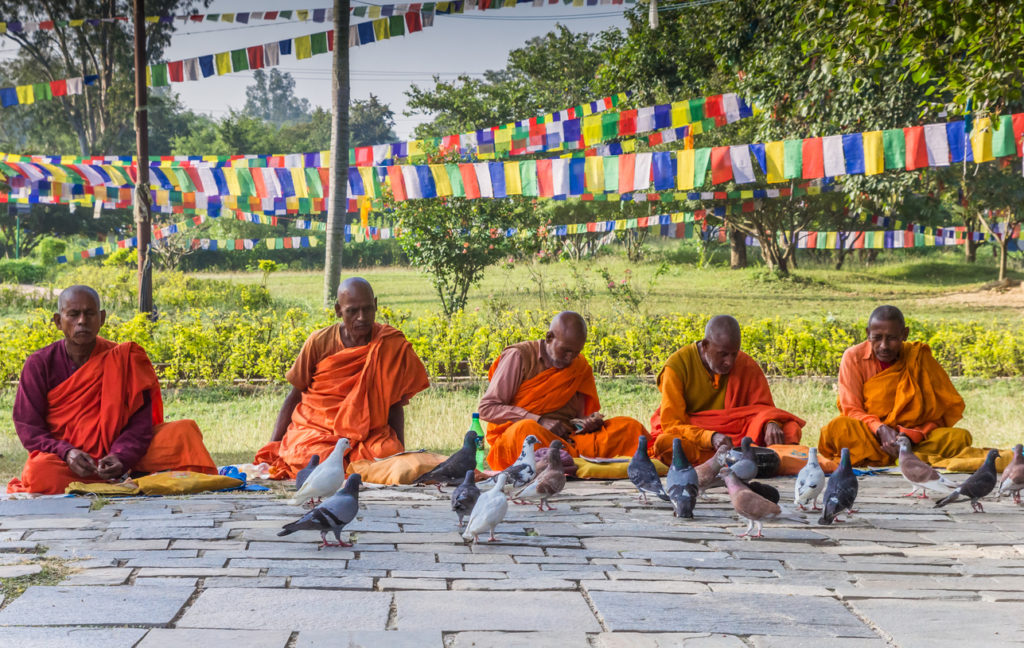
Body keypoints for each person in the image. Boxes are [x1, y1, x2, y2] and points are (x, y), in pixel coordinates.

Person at [8, 286, 217, 494]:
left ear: (102, 318)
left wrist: (121, 456)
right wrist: (67, 452)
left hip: (122, 453)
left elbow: (140, 424)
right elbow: (30, 429)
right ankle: (132, 478)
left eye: (89, 314)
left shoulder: (123, 359)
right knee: (38, 471)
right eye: (73, 314)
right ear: (57, 321)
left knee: (183, 433)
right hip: (69, 462)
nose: (82, 321)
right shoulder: (39, 364)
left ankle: (123, 474)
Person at [255, 277, 430, 479]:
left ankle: (357, 466)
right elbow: (295, 394)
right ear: (339, 310)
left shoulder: (390, 344)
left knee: (386, 455)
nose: (362, 317)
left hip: (369, 434)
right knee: (316, 458)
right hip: (318, 431)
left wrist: (400, 451)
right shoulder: (319, 342)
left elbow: (395, 403)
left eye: (367, 309)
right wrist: (273, 445)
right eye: (352, 311)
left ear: (376, 304)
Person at [479, 311, 646, 470]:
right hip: (527, 436)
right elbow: (487, 408)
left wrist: (587, 423)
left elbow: (578, 419)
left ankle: (570, 461)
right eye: (566, 351)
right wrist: (540, 421)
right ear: (549, 337)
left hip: (569, 442)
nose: (570, 358)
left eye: (576, 352)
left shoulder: (579, 365)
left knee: (629, 427)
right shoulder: (519, 356)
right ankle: (570, 461)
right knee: (526, 430)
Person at [818, 305, 972, 466]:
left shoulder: (918, 357)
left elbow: (939, 414)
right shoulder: (853, 357)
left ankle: (889, 457)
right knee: (839, 427)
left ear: (904, 334)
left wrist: (911, 436)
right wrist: (881, 429)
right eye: (877, 338)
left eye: (891, 338)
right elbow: (851, 409)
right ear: (868, 334)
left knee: (959, 437)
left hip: (912, 440)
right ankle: (908, 459)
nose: (884, 346)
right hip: (870, 435)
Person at [649, 315, 805, 465]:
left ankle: (736, 459)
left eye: (734, 354)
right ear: (705, 345)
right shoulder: (677, 367)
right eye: (723, 354)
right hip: (697, 436)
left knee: (790, 428)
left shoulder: (745, 363)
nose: (729, 362)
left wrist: (770, 422)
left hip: (739, 435)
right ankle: (750, 460)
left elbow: (764, 409)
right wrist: (710, 437)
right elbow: (672, 425)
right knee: (666, 444)